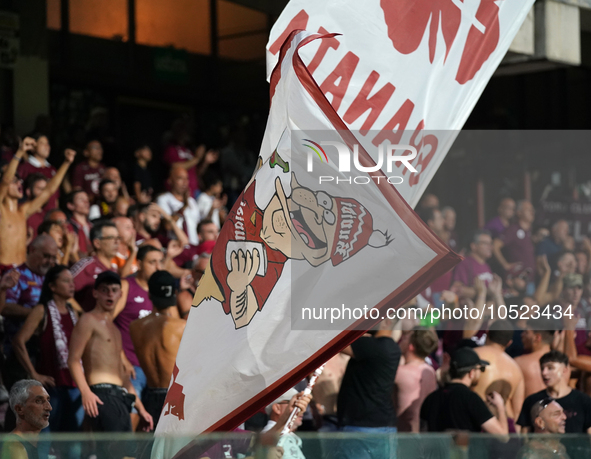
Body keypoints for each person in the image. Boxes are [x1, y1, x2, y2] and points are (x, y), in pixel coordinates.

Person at [67, 271, 153, 433]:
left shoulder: (115, 329)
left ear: (121, 294)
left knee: (124, 453)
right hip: (100, 394)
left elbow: (122, 375)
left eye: (114, 290)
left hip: (119, 397)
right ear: (95, 293)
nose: (110, 294)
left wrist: (141, 409)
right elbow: (73, 360)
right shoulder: (88, 320)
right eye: (105, 290)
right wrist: (86, 392)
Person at [12, 266, 84, 432]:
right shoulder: (41, 310)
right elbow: (18, 341)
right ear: (52, 286)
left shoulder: (74, 312)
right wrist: (34, 374)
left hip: (74, 386)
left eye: (72, 281)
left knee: (73, 445)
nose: (71, 285)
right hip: (50, 388)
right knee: (45, 440)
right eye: (66, 281)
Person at [0, 145, 75, 266]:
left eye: (20, 181)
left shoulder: (23, 211)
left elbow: (49, 191)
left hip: (21, 271)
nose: (19, 183)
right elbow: (5, 181)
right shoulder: (1, 210)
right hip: (3, 271)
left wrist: (66, 163)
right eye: (15, 181)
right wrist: (19, 153)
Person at [113, 245, 163, 424]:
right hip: (132, 368)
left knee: (151, 422)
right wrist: (122, 358)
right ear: (139, 264)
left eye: (160, 262)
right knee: (132, 416)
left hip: (155, 370)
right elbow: (108, 321)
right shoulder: (127, 286)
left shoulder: (160, 291)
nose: (158, 267)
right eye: (152, 262)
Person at [336, 319, 400, 459]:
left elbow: (335, 342)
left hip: (361, 428)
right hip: (384, 426)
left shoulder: (372, 346)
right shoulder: (393, 348)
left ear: (387, 321)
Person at [130, 270, 186, 428]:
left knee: (154, 450)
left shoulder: (135, 327)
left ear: (149, 294)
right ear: (174, 294)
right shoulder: (181, 326)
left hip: (151, 395)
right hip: (176, 397)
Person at [3, 235, 58, 391]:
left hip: (48, 354)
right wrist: (37, 316)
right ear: (32, 250)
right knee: (22, 405)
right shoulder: (16, 275)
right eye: (46, 256)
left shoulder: (53, 279)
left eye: (53, 257)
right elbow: (5, 307)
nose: (50, 261)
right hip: (20, 354)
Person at [517, 351, 591, 457]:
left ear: (565, 370)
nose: (544, 373)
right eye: (542, 368)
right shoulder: (533, 401)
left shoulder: (583, 400)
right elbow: (525, 436)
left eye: (550, 368)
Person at [420, 347, 508, 434]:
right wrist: (500, 407)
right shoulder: (471, 399)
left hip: (436, 448)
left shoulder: (432, 398)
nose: (480, 373)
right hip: (466, 448)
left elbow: (422, 432)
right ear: (471, 373)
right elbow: (503, 435)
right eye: (481, 369)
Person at [472, 320, 525, 432]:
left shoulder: (474, 356)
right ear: (509, 343)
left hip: (478, 425)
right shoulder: (516, 368)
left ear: (487, 333)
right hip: (506, 426)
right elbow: (517, 412)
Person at [394, 327, 438, 433]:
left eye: (405, 338)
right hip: (424, 433)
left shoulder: (401, 372)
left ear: (411, 347)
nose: (401, 339)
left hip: (404, 435)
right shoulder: (430, 371)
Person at [70, 220, 118, 312]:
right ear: (97, 243)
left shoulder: (114, 270)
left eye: (117, 237)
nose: (116, 242)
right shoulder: (86, 266)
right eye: (111, 237)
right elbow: (62, 291)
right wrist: (82, 315)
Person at [1, 380, 51, 459]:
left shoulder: (37, 442)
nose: (49, 407)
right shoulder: (14, 446)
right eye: (38, 401)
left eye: (48, 400)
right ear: (20, 409)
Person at [493, 200, 536, 286]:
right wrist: (505, 264)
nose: (532, 212)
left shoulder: (529, 231)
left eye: (532, 210)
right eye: (528, 210)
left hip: (530, 279)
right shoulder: (512, 229)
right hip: (517, 282)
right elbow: (495, 246)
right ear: (519, 212)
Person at [157, 166, 201, 245]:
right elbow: (168, 226)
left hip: (194, 246)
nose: (185, 182)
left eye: (187, 178)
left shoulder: (192, 201)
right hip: (177, 247)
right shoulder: (164, 199)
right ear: (170, 181)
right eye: (180, 178)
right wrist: (184, 207)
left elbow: (196, 226)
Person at [17, 133, 59, 211]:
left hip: (50, 213)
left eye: (48, 144)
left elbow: (55, 197)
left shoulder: (53, 169)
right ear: (33, 147)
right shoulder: (25, 167)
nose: (46, 146)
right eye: (42, 143)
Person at [515, 319, 556, 398]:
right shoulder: (563, 365)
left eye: (526, 332)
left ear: (537, 338)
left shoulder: (520, 363)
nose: (522, 335)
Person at [261, 388, 306, 459]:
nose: (301, 410)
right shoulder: (270, 436)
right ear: (277, 408)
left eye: (302, 404)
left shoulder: (288, 436)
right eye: (295, 404)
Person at [451, 230, 494, 300]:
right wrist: (485, 293)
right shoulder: (465, 263)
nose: (490, 247)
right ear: (474, 246)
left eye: (491, 243)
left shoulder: (487, 266)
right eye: (485, 243)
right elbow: (457, 289)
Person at [65, 190, 92, 257]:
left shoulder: (92, 226)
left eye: (87, 199)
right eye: (81, 199)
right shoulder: (68, 227)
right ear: (70, 205)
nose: (86, 202)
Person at [23, 174, 49, 239]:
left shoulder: (47, 215)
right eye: (40, 189)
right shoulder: (19, 211)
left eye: (46, 190)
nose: (44, 193)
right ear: (28, 191)